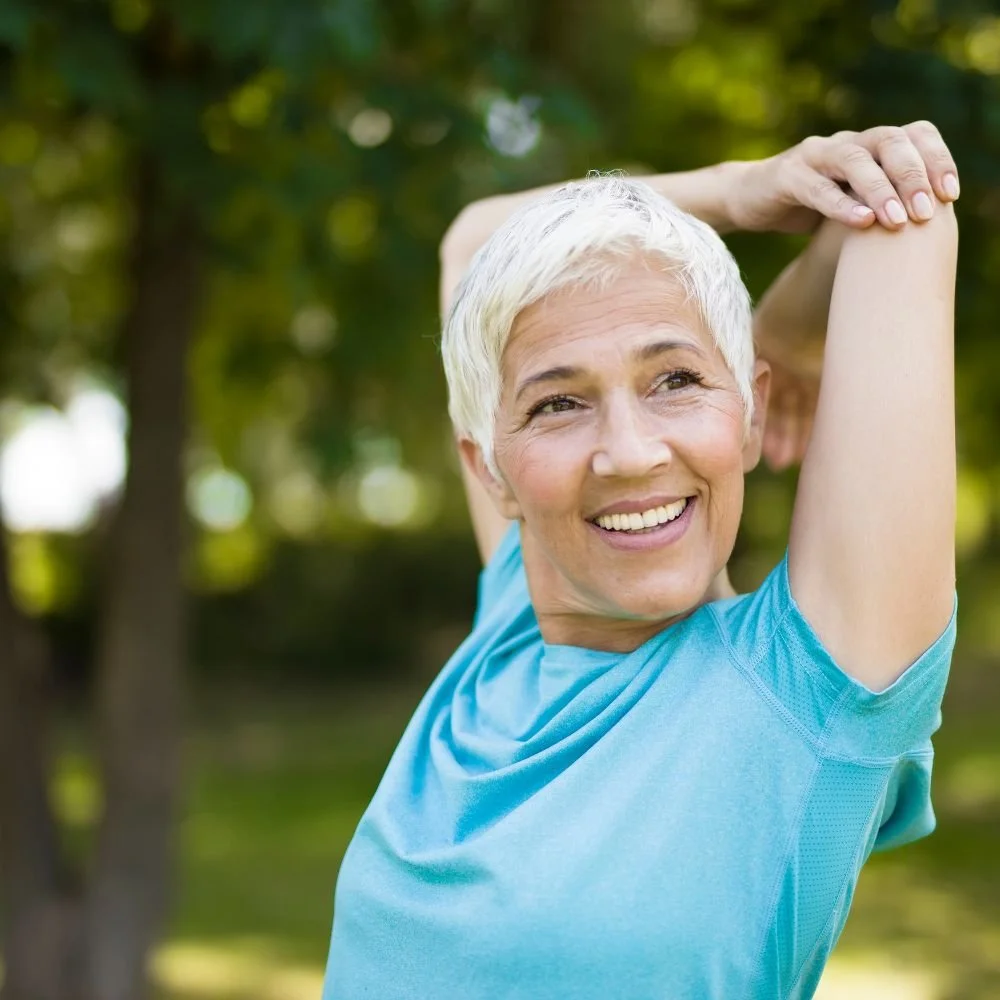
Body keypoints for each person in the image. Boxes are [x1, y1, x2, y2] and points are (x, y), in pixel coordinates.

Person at [322, 123, 960, 999]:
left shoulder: (810, 692)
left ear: (746, 414)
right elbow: (474, 239)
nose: (627, 453)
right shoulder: (516, 617)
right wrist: (742, 189)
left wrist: (790, 325)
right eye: (558, 403)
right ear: (491, 470)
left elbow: (901, 211)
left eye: (676, 381)